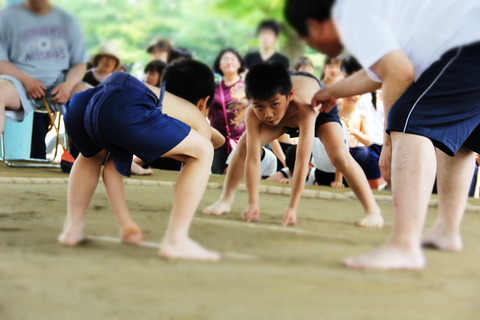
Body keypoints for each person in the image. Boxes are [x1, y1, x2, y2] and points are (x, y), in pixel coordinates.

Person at [285, 0, 480, 269]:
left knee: (409, 121)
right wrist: (331, 92)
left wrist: (390, 139)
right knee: (461, 137)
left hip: (470, 41)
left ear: (314, 26)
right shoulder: (386, 13)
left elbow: (399, 73)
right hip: (470, 37)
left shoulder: (350, 11)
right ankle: (447, 230)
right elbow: (382, 71)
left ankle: (404, 246)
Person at [58, 71, 220, 261]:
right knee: (204, 151)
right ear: (204, 103)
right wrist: (207, 133)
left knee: (91, 156)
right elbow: (209, 142)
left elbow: (112, 170)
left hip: (83, 105)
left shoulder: (152, 102)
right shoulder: (196, 115)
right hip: (124, 107)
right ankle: (177, 241)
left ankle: (73, 228)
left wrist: (126, 223)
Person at [203, 62, 383, 228]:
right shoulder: (255, 111)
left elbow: (302, 162)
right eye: (259, 107)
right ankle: (226, 200)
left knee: (339, 156)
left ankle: (372, 210)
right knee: (243, 147)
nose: (267, 114)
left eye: (273, 105)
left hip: (316, 108)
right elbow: (252, 159)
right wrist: (253, 203)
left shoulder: (306, 107)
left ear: (289, 96)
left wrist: (292, 208)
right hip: (283, 111)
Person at [0, 0, 88, 158]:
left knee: (91, 96)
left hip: (62, 84)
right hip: (17, 83)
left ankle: (107, 159)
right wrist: (26, 80)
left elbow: (80, 63)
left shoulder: (67, 21)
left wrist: (69, 84)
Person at [342, 56, 386, 189]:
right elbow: (351, 115)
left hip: (383, 143)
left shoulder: (384, 92)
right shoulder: (358, 94)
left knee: (381, 182)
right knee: (372, 183)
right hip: (367, 146)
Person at [209, 48, 249, 174]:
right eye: (225, 59)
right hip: (217, 140)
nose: (229, 62)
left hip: (242, 139)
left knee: (237, 177)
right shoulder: (212, 88)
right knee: (216, 175)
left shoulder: (248, 87)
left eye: (232, 59)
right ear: (219, 64)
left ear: (239, 63)